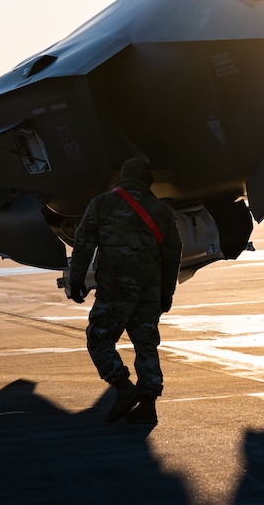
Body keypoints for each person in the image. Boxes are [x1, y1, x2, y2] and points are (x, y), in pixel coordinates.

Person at [68, 158, 182, 424]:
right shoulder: (161, 210)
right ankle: (148, 407)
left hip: (115, 289)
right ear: (147, 181)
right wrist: (166, 292)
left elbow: (84, 243)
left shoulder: (102, 204)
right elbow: (172, 253)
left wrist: (76, 281)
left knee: (99, 340)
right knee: (146, 346)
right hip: (148, 291)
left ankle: (123, 388)